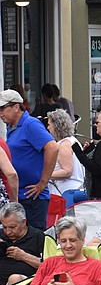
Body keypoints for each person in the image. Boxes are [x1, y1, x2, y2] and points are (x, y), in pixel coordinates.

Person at [0, 89, 56, 230]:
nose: (0, 114)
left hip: (32, 197)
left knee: (33, 241)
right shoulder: (11, 126)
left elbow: (53, 148)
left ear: (16, 107)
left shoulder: (30, 124)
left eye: (3, 109)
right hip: (20, 195)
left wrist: (43, 183)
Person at [0, 203, 44, 285]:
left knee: (14, 279)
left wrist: (23, 256)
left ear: (23, 222)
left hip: (24, 282)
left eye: (12, 227)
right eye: (4, 227)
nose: (8, 232)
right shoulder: (1, 234)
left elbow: (48, 265)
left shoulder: (38, 236)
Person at [46, 109, 85, 207]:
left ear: (56, 126)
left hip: (66, 192)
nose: (47, 128)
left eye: (49, 124)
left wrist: (45, 175)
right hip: (73, 189)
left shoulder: (63, 145)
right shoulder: (73, 140)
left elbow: (67, 171)